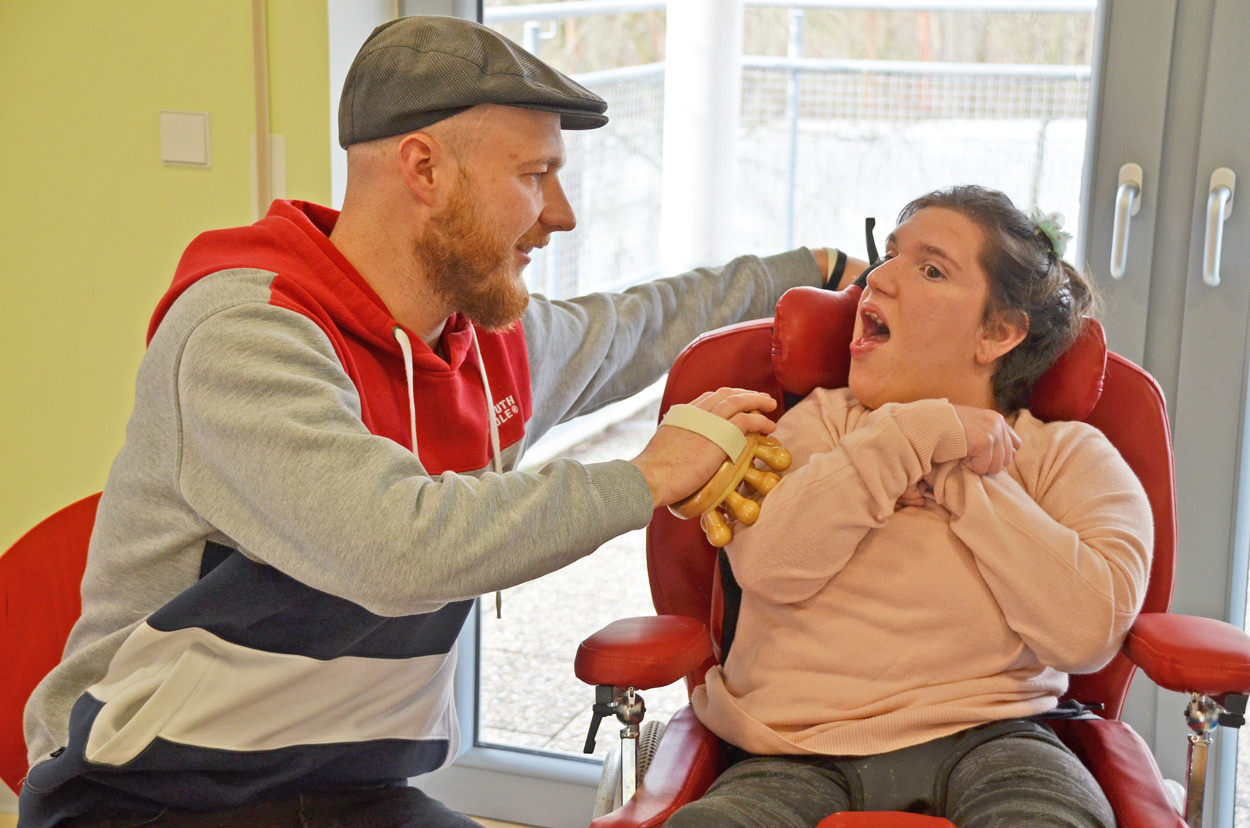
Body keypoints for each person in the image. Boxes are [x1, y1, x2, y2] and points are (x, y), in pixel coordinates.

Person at [18, 15, 842, 828]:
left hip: (348, 794)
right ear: (425, 170)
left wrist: (814, 270)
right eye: (533, 175)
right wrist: (650, 474)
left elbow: (636, 322)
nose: (562, 214)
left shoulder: (487, 349)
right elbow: (393, 547)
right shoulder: (246, 336)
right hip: (145, 794)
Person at [665, 186, 1153, 828]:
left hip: (999, 739)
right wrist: (908, 435)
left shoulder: (1066, 456)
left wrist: (961, 477)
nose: (880, 278)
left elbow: (1087, 631)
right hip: (793, 749)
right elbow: (772, 565)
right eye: (889, 256)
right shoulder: (817, 425)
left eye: (930, 268)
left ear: (998, 333)